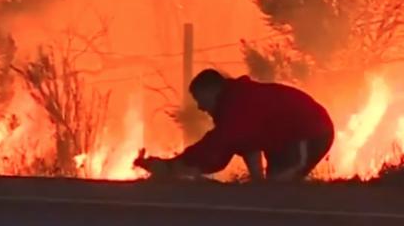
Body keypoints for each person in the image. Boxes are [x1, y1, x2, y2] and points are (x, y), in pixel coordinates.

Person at [135, 69, 335, 181]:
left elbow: (218, 144)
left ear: (211, 91)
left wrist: (173, 166)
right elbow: (244, 144)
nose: (200, 107)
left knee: (278, 189)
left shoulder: (237, 104)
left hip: (310, 132)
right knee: (269, 190)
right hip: (285, 140)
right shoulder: (233, 104)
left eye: (199, 99)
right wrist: (257, 179)